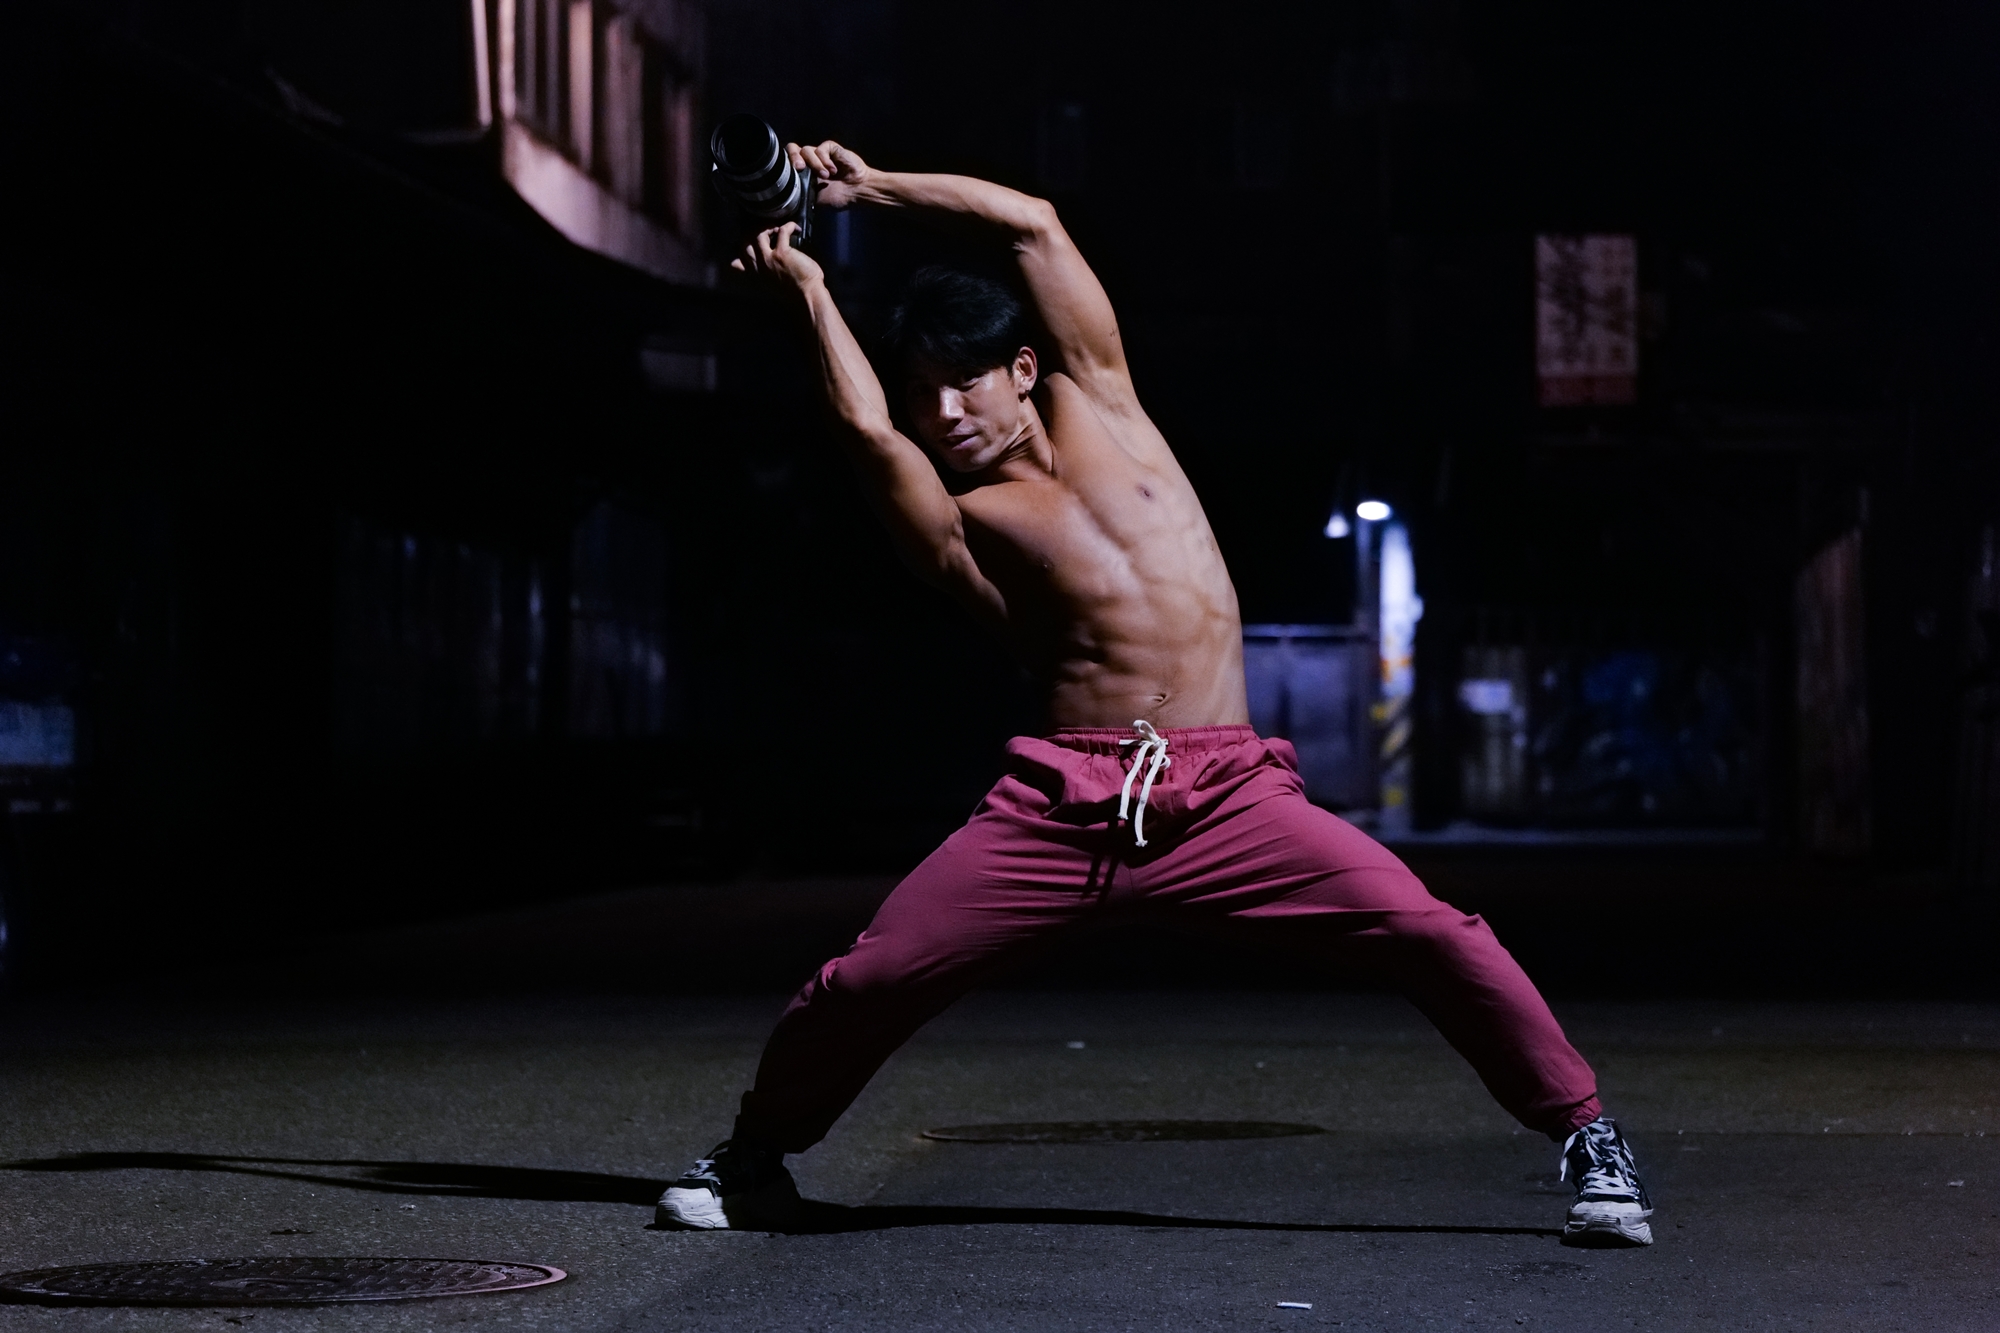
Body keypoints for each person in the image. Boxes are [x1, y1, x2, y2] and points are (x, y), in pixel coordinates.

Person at [657, 141, 1653, 1247]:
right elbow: (864, 430)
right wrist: (808, 285)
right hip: (1060, 804)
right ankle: (755, 1155)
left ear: (1021, 368)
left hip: (1229, 794)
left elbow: (1032, 223)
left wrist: (867, 190)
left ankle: (1588, 1136)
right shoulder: (961, 519)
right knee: (871, 976)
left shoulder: (1110, 407)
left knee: (1432, 931)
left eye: (963, 379)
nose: (943, 410)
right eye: (922, 391)